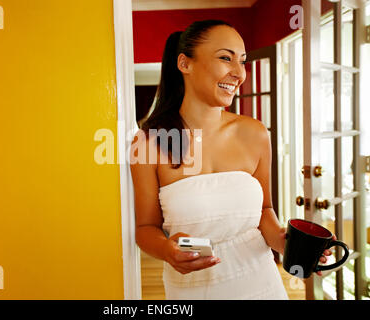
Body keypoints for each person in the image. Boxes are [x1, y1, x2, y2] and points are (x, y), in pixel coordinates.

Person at [130, 19, 332, 300]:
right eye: (225, 58)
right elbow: (145, 228)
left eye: (243, 61)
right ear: (184, 64)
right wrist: (168, 251)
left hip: (261, 283)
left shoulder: (255, 133)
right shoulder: (148, 142)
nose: (239, 73)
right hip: (192, 290)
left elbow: (263, 210)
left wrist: (289, 244)